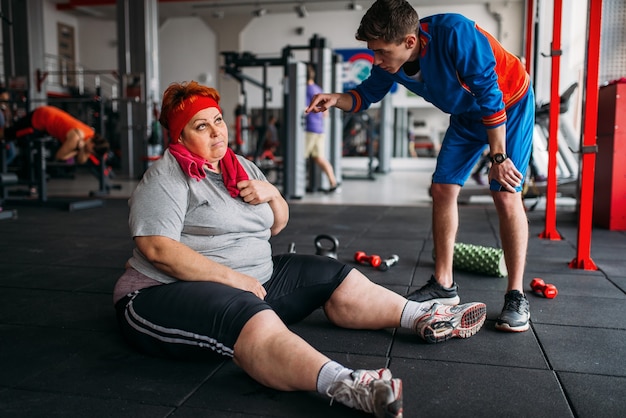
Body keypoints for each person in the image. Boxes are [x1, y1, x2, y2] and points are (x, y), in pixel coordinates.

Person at [113, 80, 488, 418]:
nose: (216, 132)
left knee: (328, 271)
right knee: (244, 312)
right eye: (201, 126)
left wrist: (273, 194)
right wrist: (233, 279)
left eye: (218, 120)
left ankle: (422, 315)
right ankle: (350, 384)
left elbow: (276, 225)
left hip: (252, 283)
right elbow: (157, 247)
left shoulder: (238, 166)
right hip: (161, 294)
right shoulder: (167, 175)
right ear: (179, 137)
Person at [306, 0, 535, 333]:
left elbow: (491, 95)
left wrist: (498, 159)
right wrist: (334, 98)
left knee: (505, 194)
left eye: (381, 52)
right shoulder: (389, 63)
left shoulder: (456, 33)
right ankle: (444, 285)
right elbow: (364, 97)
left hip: (510, 104)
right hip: (466, 117)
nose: (377, 59)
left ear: (409, 42)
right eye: (373, 52)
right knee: (441, 188)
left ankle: (516, 295)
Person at [4, 105, 109, 165]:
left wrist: (81, 149)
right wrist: (78, 149)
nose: (91, 153)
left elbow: (82, 160)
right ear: (93, 145)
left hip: (49, 117)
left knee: (15, 138)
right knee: (9, 134)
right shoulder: (76, 138)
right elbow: (60, 156)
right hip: (41, 117)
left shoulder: (90, 135)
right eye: (93, 151)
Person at [305, 64, 339, 192]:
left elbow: (303, 109)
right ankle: (333, 183)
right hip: (319, 129)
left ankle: (296, 187)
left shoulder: (306, 90)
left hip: (309, 129)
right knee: (319, 158)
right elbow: (325, 113)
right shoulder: (318, 89)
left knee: (298, 157)